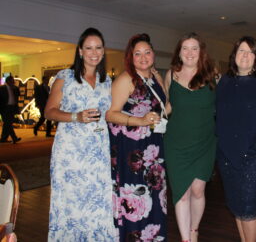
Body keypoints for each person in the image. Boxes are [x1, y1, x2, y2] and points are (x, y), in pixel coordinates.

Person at [45, 27, 115, 240]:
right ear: (80, 51)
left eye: (98, 48)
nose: (94, 52)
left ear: (103, 51)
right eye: (89, 48)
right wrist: (76, 116)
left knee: (97, 201)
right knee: (72, 204)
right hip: (71, 154)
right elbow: (49, 111)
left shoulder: (107, 81)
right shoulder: (65, 77)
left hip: (98, 152)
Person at [216, 36, 256, 242]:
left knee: (250, 205)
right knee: (236, 204)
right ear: (234, 55)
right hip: (227, 154)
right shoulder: (224, 81)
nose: (245, 55)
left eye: (250, 52)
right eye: (241, 51)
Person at [106, 33, 167, 241]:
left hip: (153, 147)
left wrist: (162, 114)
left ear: (154, 55)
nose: (143, 57)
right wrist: (140, 120)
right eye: (137, 53)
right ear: (130, 57)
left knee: (154, 196)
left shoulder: (156, 77)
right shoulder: (126, 79)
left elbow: (164, 107)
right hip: (131, 151)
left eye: (147, 52)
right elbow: (110, 113)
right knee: (135, 199)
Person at [164, 32, 218, 242]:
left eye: (194, 48)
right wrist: (151, 118)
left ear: (201, 52)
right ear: (179, 52)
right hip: (176, 143)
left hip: (204, 142)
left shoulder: (211, 75)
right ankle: (186, 239)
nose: (189, 53)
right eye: (185, 48)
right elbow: (169, 105)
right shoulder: (171, 74)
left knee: (197, 190)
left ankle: (194, 230)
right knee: (182, 193)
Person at [0, 75, 21, 144]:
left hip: (12, 107)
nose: (13, 82)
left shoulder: (15, 88)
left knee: (7, 123)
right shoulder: (2, 88)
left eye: (13, 81)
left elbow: (18, 96)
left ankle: (3, 138)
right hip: (4, 108)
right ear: (8, 81)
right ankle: (14, 138)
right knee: (8, 123)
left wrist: (15, 88)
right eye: (12, 81)